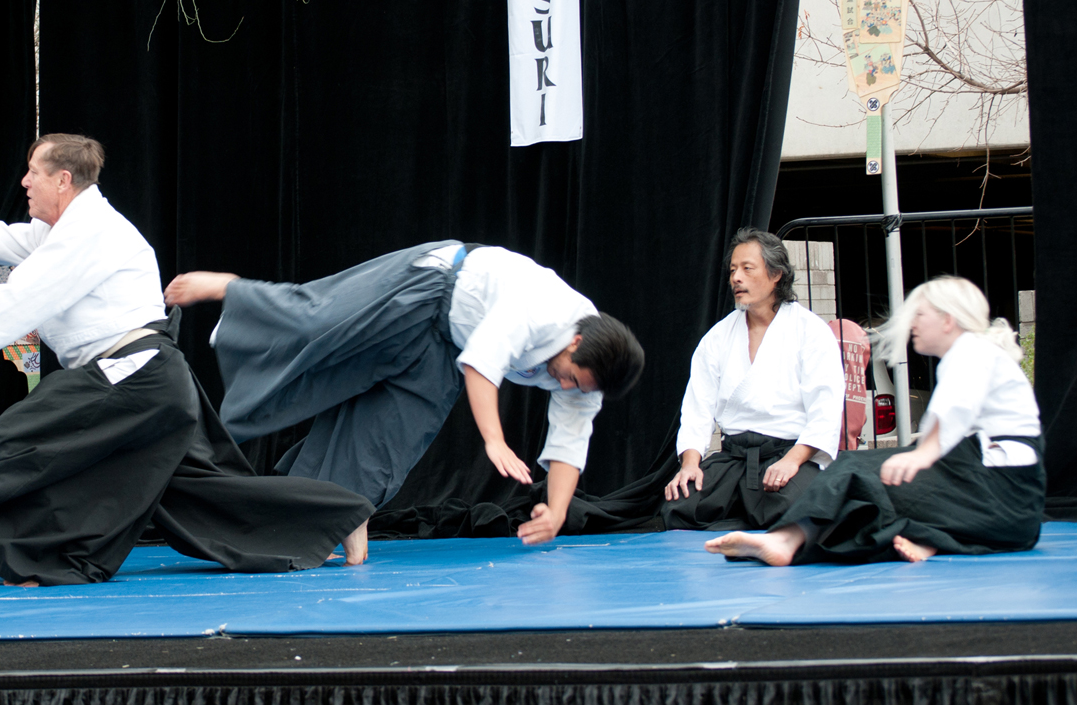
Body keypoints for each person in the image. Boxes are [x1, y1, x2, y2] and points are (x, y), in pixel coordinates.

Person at [0, 134, 375, 586]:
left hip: (134, 376)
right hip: (149, 379)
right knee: (195, 495)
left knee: (22, 437)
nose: (23, 182)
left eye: (32, 173)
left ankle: (52, 555)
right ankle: (337, 513)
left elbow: (19, 300)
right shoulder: (57, 233)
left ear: (63, 180)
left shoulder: (93, 232)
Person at [163, 242, 645, 546]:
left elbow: (570, 441)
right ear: (577, 341)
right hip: (427, 286)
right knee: (319, 322)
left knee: (388, 440)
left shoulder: (590, 374)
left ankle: (340, 516)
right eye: (569, 377)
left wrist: (557, 512)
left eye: (576, 388)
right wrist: (494, 441)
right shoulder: (545, 306)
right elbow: (483, 363)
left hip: (444, 345)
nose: (564, 388)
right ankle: (234, 290)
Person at [707, 276, 1043, 565]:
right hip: (1009, 514)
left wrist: (922, 454)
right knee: (880, 490)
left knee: (857, 469)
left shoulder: (972, 353)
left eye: (920, 315)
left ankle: (788, 540)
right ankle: (929, 538)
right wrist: (921, 452)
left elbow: (956, 409)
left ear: (947, 320)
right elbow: (951, 419)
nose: (912, 324)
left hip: (1002, 499)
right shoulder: (972, 356)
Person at [661, 228, 845, 531]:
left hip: (789, 454)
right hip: (734, 457)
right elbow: (698, 409)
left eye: (747, 268)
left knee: (790, 510)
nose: (736, 278)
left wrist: (793, 461)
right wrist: (690, 464)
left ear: (775, 275)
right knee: (680, 506)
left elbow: (825, 411)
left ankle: (744, 521)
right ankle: (744, 518)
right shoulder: (718, 337)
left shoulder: (810, 331)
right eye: (733, 270)